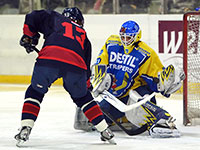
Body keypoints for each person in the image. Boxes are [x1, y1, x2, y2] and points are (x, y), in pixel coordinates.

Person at [14, 7, 115, 146]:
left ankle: (26, 127)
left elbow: (32, 17)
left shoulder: (54, 17)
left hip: (49, 59)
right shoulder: (83, 35)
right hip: (76, 67)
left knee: (35, 92)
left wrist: (30, 36)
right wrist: (86, 87)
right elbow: (86, 68)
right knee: (83, 98)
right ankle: (105, 131)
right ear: (80, 21)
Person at [74, 20, 185, 138]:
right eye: (123, 37)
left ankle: (163, 119)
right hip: (114, 97)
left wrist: (164, 85)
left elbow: (156, 80)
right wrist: (98, 79)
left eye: (129, 37)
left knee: (136, 98)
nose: (125, 40)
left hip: (135, 92)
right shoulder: (111, 44)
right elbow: (100, 65)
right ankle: (123, 118)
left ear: (137, 36)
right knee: (92, 116)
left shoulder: (145, 53)